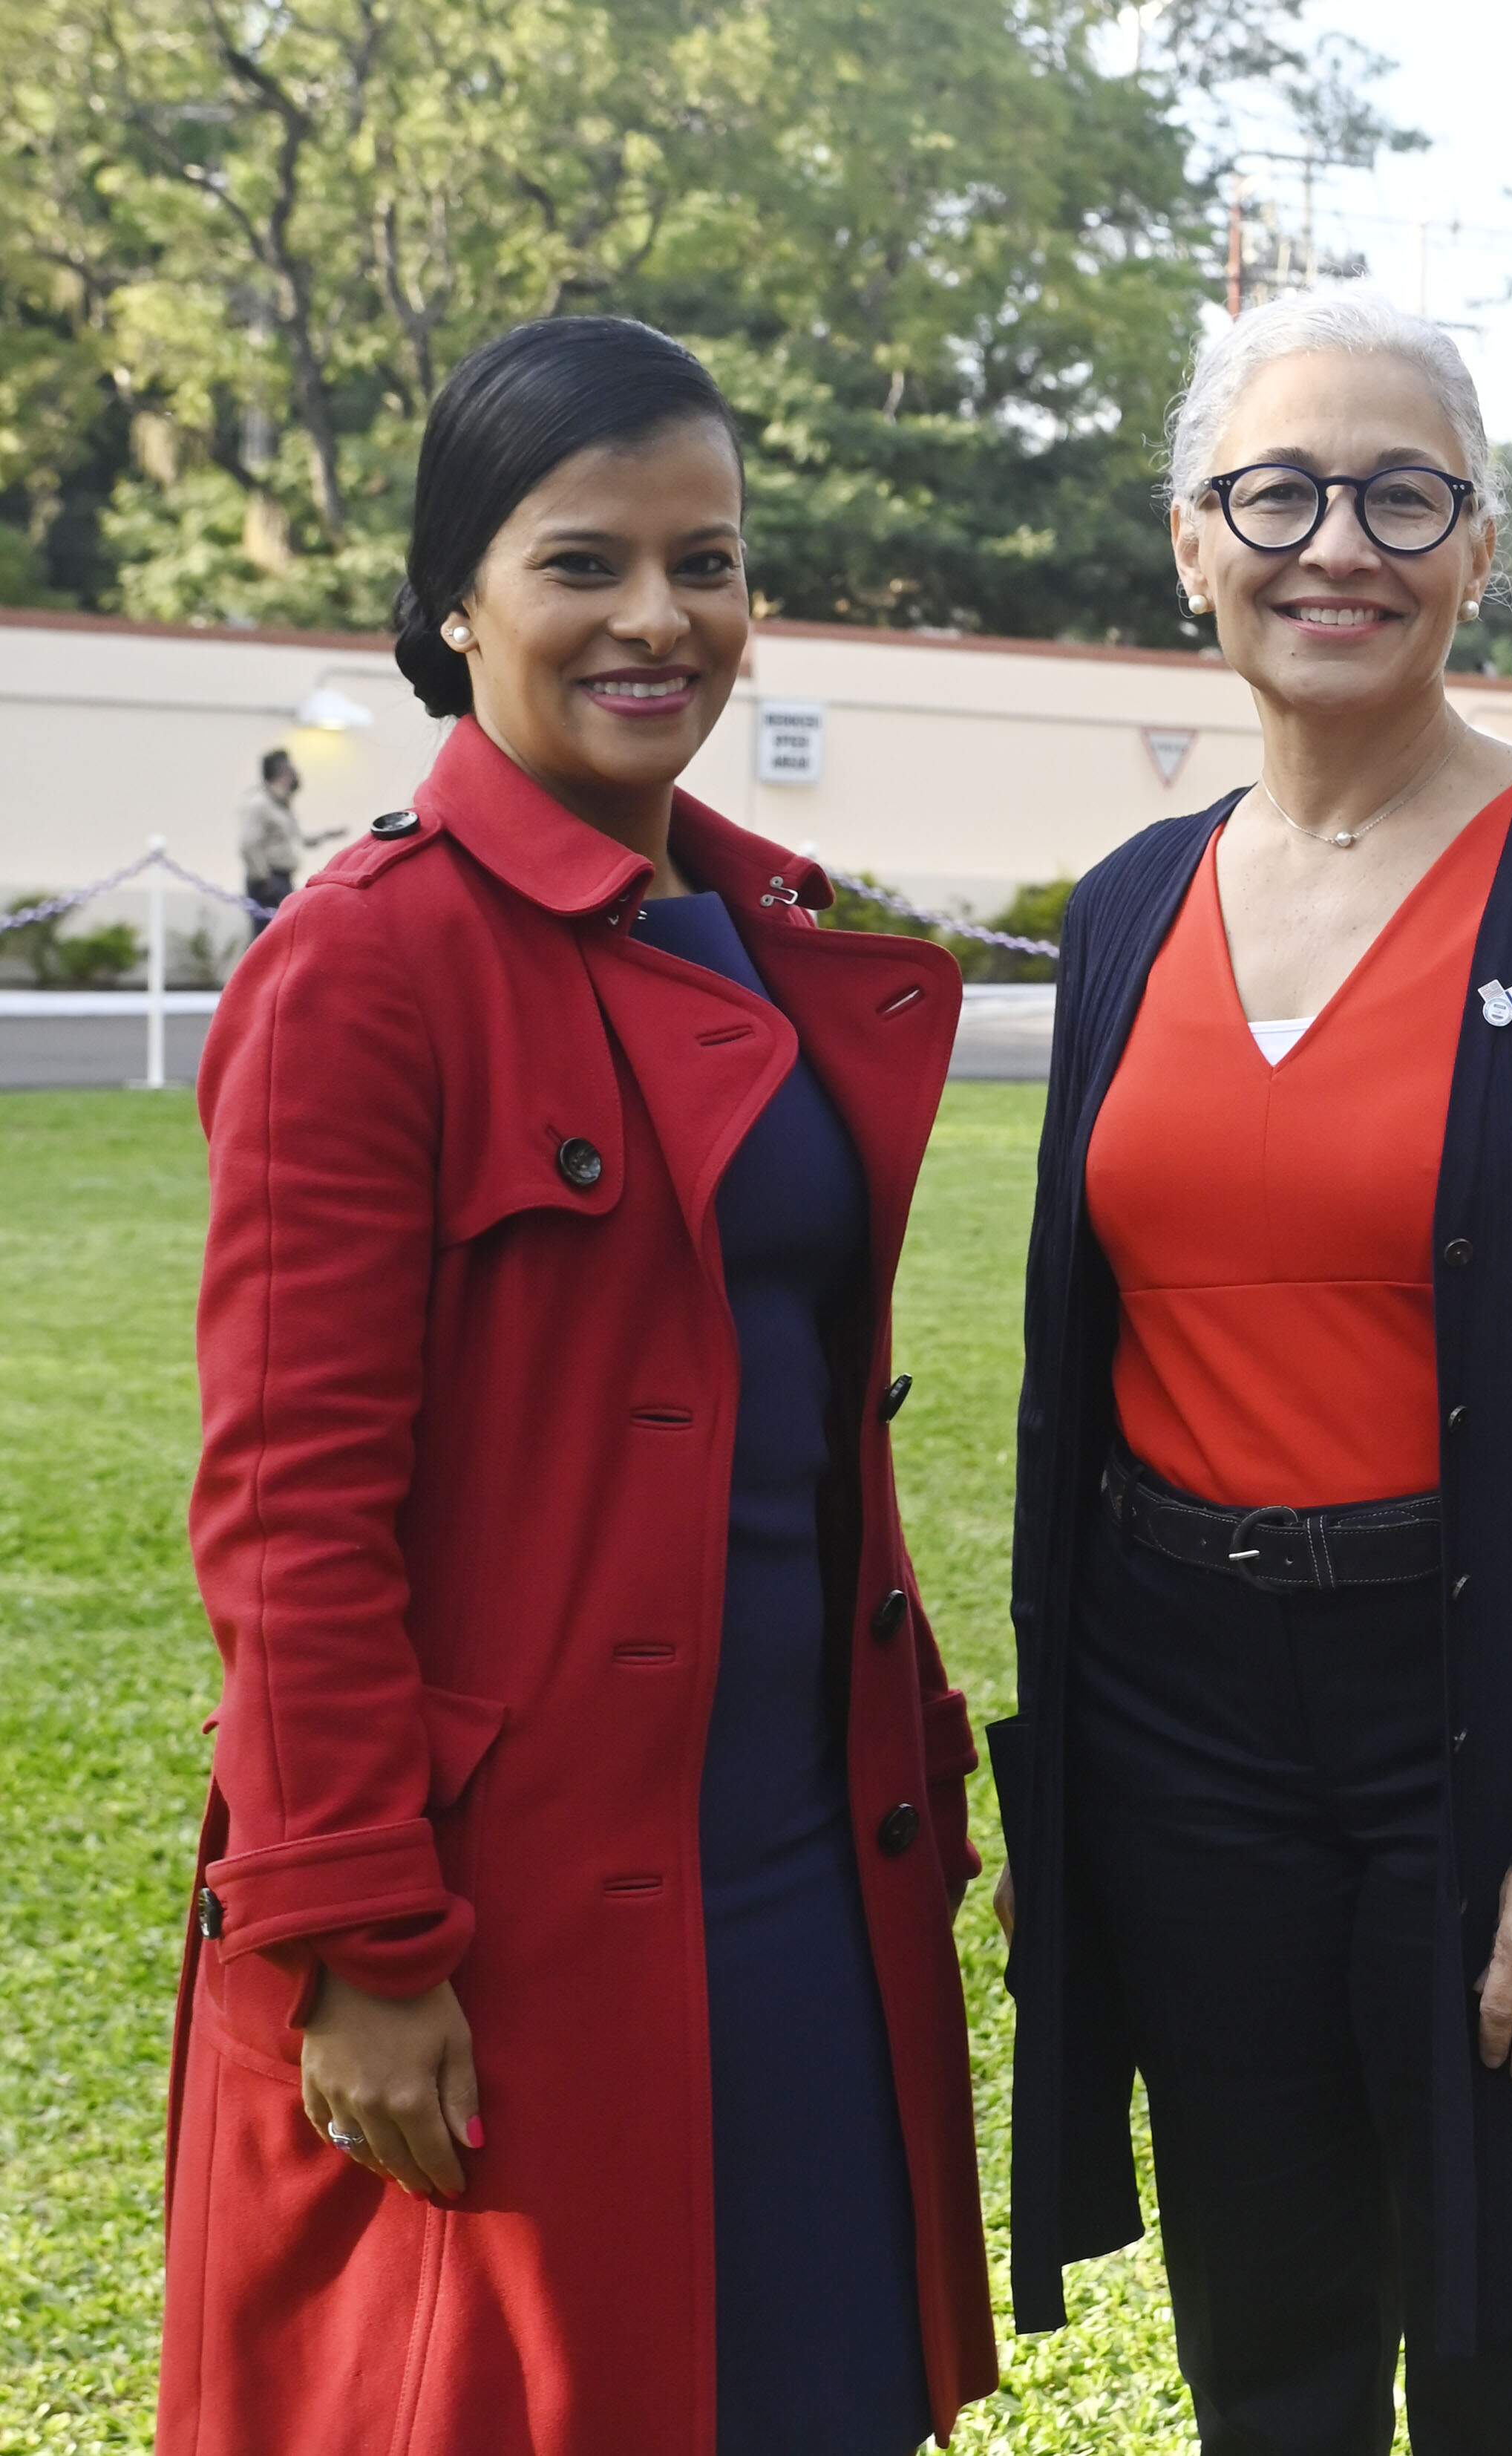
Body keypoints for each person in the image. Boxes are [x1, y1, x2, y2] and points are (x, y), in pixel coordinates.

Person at [159, 316, 997, 2455]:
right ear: (456, 599)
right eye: (583, 560)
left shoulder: (750, 929)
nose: (658, 616)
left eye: (704, 559)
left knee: (810, 2401)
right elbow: (288, 1503)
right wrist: (353, 1922)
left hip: (799, 1862)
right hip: (497, 1902)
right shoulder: (362, 963)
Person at [990, 287, 1512, 2455]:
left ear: (1474, 548)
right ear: (1188, 537)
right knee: (1267, 2345)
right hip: (1181, 1730)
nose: (1334, 541)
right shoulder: (1130, 906)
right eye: (1278, 489)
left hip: (1488, 1718)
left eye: (1397, 493)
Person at [234, 748, 336, 924]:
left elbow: (293, 838)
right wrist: (264, 879)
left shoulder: (281, 804)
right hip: (268, 881)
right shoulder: (260, 804)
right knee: (266, 936)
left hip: (282, 879)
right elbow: (248, 845)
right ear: (281, 773)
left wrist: (325, 836)